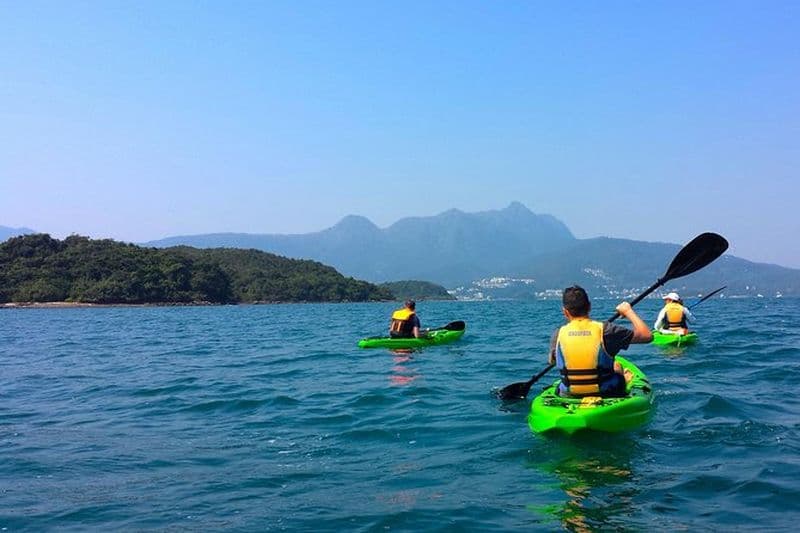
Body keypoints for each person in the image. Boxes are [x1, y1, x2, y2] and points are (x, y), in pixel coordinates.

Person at [548, 286, 652, 398]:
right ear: (589, 306)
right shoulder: (606, 330)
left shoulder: (558, 334)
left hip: (569, 394)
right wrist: (628, 311)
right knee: (617, 367)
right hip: (606, 392)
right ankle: (623, 377)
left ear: (565, 312)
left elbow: (553, 361)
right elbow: (647, 336)